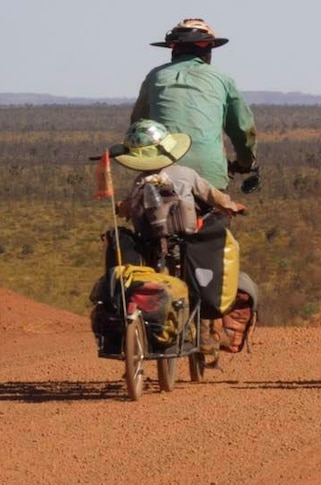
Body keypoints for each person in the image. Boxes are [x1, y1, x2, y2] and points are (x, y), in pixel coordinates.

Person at [112, 119, 245, 353]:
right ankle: (204, 335)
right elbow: (211, 195)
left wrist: (121, 208)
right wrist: (232, 205)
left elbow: (127, 209)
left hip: (150, 241)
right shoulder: (186, 174)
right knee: (198, 280)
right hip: (186, 237)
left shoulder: (140, 181)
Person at [131, 18, 257, 191]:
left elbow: (138, 125)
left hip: (162, 172)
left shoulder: (155, 77)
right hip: (210, 175)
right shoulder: (222, 79)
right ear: (208, 50)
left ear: (173, 49)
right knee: (216, 213)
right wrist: (246, 162)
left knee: (146, 210)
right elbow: (243, 130)